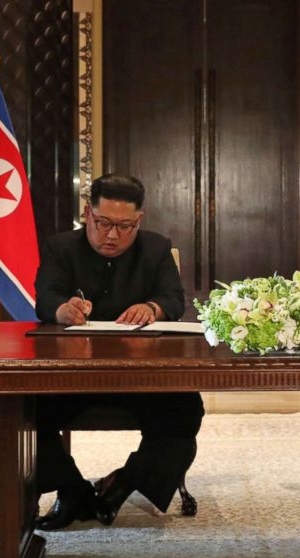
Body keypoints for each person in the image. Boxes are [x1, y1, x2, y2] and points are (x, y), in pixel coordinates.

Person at [33, 174, 204, 530]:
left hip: (140, 376)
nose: (112, 235)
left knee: (186, 409)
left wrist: (153, 308)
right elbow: (45, 297)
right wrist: (62, 310)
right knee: (22, 409)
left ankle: (123, 483)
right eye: (103, 223)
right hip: (72, 376)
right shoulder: (61, 247)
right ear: (87, 213)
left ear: (138, 221)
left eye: (124, 226)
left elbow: (174, 299)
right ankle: (71, 490)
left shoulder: (156, 249)